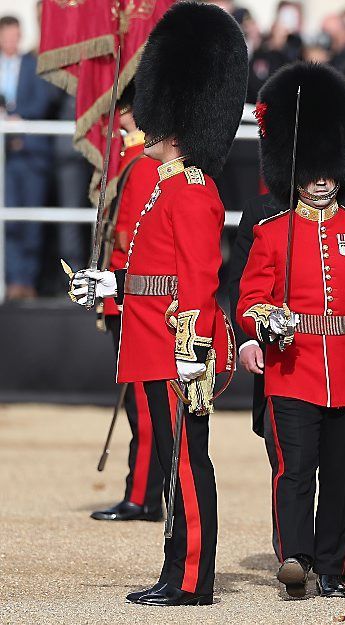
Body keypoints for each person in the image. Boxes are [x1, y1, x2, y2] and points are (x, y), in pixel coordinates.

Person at [68, 2, 247, 606]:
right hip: (151, 341)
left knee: (188, 467)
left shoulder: (193, 191)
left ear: (169, 125)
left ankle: (194, 579)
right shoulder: (164, 187)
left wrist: (193, 355)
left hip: (177, 348)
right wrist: (110, 287)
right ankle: (176, 571)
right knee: (173, 468)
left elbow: (196, 283)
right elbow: (152, 275)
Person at [238, 62, 345, 600]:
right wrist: (265, 322)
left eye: (328, 170)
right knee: (294, 471)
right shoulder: (272, 232)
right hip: (294, 368)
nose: (320, 179)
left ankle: (333, 568)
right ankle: (295, 556)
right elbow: (249, 299)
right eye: (312, 169)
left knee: (340, 476)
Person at [89, 82, 164, 523]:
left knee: (143, 404)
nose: (117, 116)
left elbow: (125, 236)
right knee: (140, 404)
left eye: (124, 109)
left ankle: (143, 495)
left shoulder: (139, 166)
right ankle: (145, 492)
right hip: (124, 293)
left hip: (132, 297)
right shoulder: (131, 160)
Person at [1, 14, 55, 300]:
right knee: (9, 220)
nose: (11, 41)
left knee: (31, 220)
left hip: (31, 155)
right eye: (7, 36)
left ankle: (27, 282)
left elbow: (42, 101)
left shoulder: (32, 65)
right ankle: (12, 280)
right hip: (5, 159)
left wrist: (19, 120)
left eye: (15, 35)